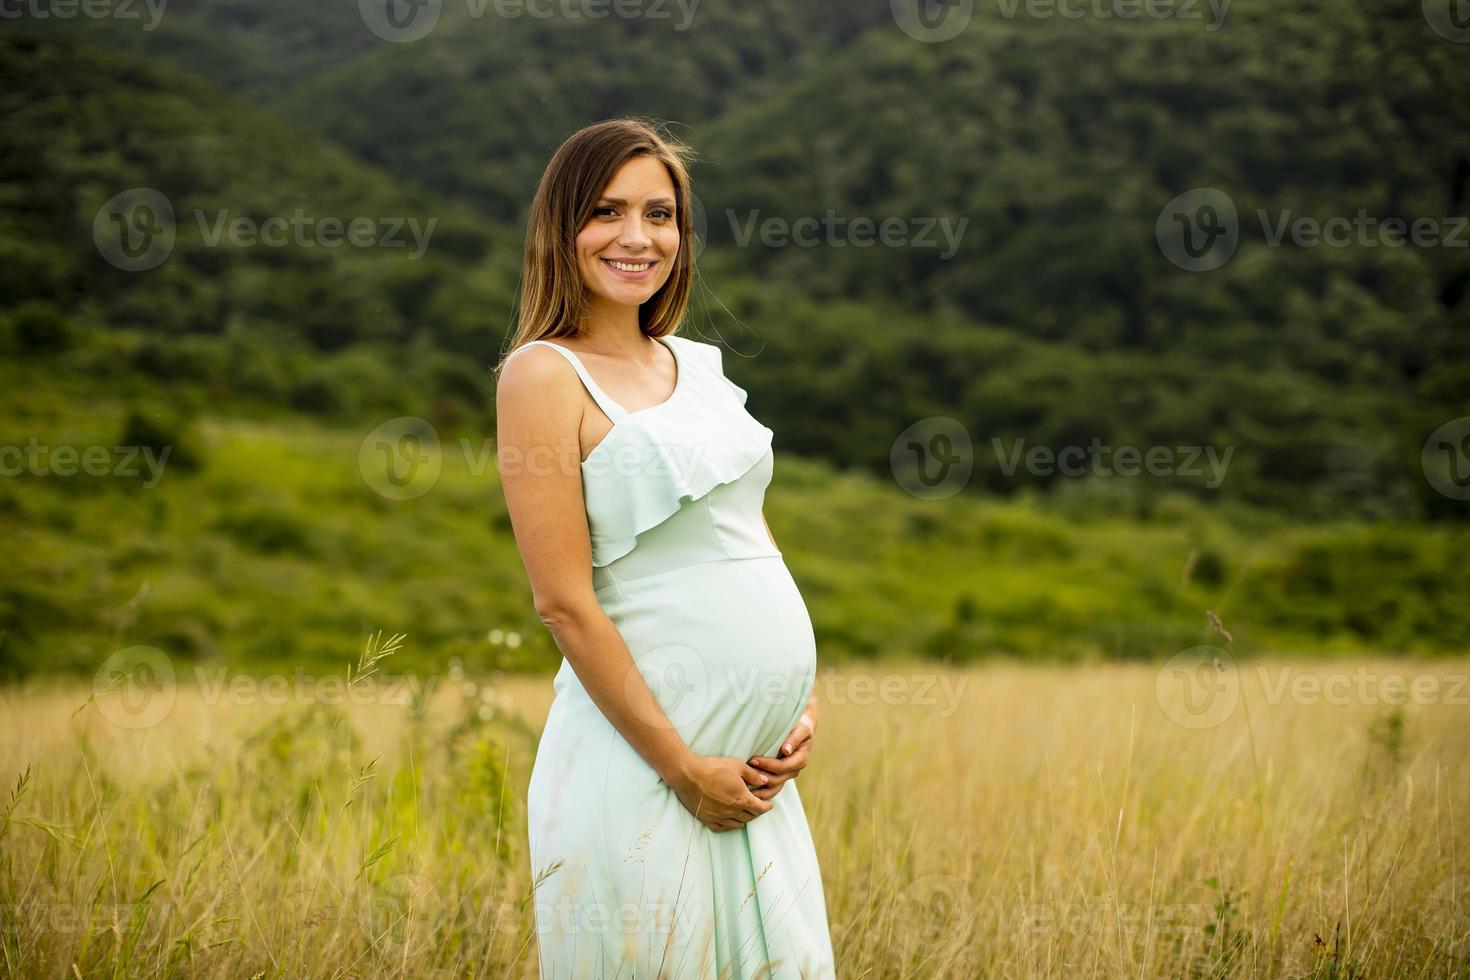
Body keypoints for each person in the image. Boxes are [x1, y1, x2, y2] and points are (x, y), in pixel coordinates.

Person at [494, 117, 838, 979]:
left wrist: (796, 700)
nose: (638, 237)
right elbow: (563, 602)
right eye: (607, 212)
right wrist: (684, 769)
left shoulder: (703, 368)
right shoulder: (542, 375)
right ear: (561, 228)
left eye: (661, 214)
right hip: (649, 769)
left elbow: (748, 539)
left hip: (749, 777)